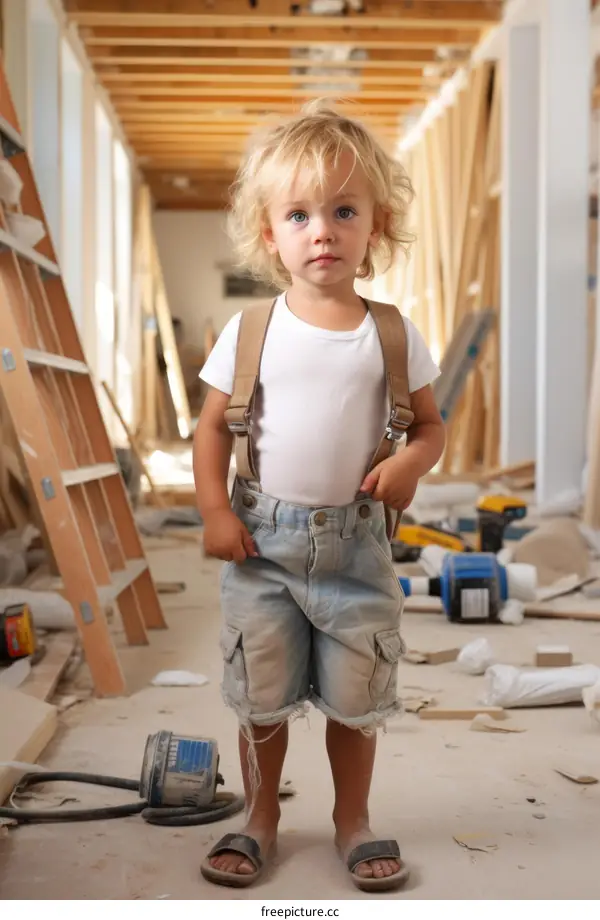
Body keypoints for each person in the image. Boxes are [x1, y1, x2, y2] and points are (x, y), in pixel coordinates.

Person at [193, 100, 445, 892]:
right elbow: (211, 428)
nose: (322, 232)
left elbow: (430, 426)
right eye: (298, 215)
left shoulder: (393, 333)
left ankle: (352, 821)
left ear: (377, 226)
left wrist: (413, 463)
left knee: (355, 695)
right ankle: (260, 817)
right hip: (261, 544)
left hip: (357, 549)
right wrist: (214, 510)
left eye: (343, 212)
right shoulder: (251, 330)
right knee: (261, 694)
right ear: (271, 234)